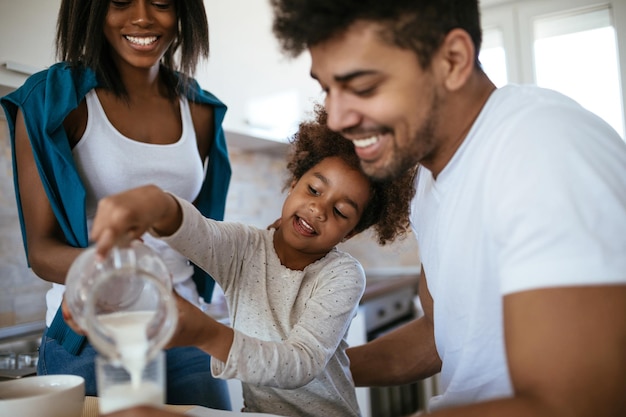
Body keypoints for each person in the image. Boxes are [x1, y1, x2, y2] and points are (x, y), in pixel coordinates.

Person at [267, 1, 626, 416]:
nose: (337, 118)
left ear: (452, 61)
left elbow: (578, 402)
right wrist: (300, 371)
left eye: (362, 87)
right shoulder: (430, 182)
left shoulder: (542, 145)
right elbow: (442, 335)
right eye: (328, 89)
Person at [71, 105, 417, 417]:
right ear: (294, 182)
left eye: (340, 211)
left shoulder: (342, 275)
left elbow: (300, 363)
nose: (318, 209)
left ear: (349, 234)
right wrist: (157, 204)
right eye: (313, 190)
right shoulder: (244, 248)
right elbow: (197, 232)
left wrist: (205, 333)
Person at [0, 0, 231, 409]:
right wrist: (121, 272)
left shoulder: (200, 110)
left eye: (161, 2)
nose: (142, 17)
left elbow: (200, 231)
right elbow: (41, 251)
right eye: (120, 2)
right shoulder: (53, 100)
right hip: (94, 333)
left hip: (184, 326)